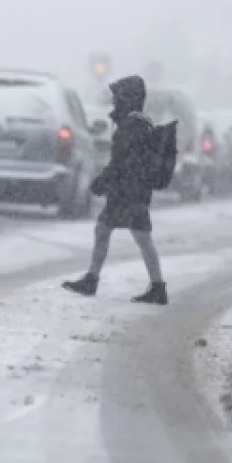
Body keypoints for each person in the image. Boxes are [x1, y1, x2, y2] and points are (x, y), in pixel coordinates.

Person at [62, 75, 168, 304]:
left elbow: (121, 162)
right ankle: (156, 286)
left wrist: (104, 181)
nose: (114, 103)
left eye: (118, 97)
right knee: (132, 235)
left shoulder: (131, 126)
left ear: (129, 99)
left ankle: (94, 279)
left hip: (126, 191)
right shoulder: (141, 123)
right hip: (135, 190)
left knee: (110, 231)